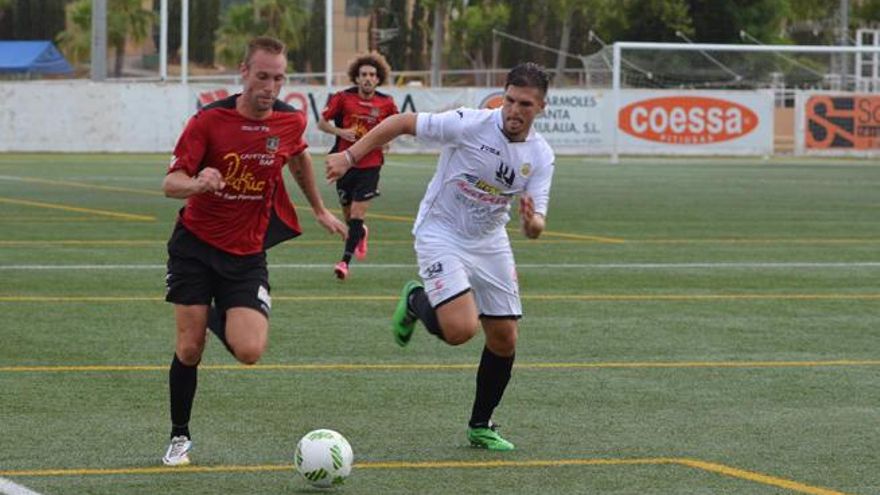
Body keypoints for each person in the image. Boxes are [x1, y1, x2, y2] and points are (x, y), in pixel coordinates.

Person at [326, 63, 555, 451]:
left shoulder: (542, 156)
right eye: (511, 100)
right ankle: (416, 299)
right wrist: (349, 157)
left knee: (504, 337)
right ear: (504, 94)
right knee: (460, 330)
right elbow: (399, 122)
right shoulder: (469, 123)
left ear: (542, 107)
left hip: (489, 239)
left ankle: (481, 425)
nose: (515, 111)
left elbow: (537, 227)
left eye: (526, 105)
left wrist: (531, 220)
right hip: (441, 231)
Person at [160, 36, 346, 466]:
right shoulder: (207, 121)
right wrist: (198, 183)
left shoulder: (290, 121)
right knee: (189, 349)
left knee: (249, 351)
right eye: (262, 76)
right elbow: (171, 183)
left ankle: (208, 313)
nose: (270, 86)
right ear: (243, 73)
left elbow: (297, 157)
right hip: (195, 247)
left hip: (246, 254)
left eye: (278, 78)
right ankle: (179, 437)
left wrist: (318, 209)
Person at [317, 52, 398, 280]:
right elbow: (322, 123)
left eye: (372, 75)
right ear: (356, 77)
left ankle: (344, 262)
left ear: (378, 78)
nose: (368, 79)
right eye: (363, 74)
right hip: (344, 164)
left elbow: (396, 125)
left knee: (356, 213)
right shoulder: (343, 98)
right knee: (349, 216)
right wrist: (341, 131)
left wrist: (387, 141)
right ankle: (360, 232)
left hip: (371, 165)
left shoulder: (387, 103)